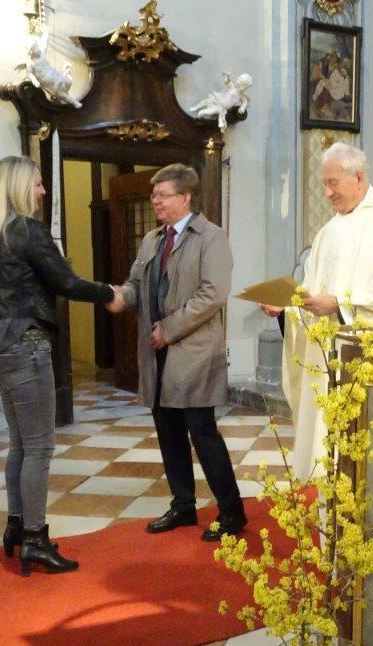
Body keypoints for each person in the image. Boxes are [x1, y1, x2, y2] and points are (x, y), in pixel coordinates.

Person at [0, 155, 115, 576]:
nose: (43, 190)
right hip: (26, 344)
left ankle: (16, 526)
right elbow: (66, 282)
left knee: (20, 443)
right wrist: (110, 293)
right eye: (37, 183)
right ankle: (34, 538)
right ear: (20, 186)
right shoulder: (28, 231)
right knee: (39, 447)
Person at [261, 142, 373, 481]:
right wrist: (288, 309)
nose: (327, 192)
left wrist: (339, 304)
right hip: (325, 361)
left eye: (333, 183)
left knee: (364, 461)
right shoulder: (329, 231)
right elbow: (312, 294)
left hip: (365, 365)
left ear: (358, 177)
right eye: (324, 184)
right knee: (327, 459)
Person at [107, 163, 246, 542]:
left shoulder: (212, 238)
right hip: (157, 354)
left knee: (202, 432)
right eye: (154, 195)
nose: (156, 201)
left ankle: (232, 512)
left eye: (162, 195)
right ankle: (183, 505)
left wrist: (168, 330)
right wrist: (120, 297)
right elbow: (137, 284)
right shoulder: (152, 239)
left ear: (185, 198)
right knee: (168, 433)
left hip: (193, 353)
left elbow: (212, 295)